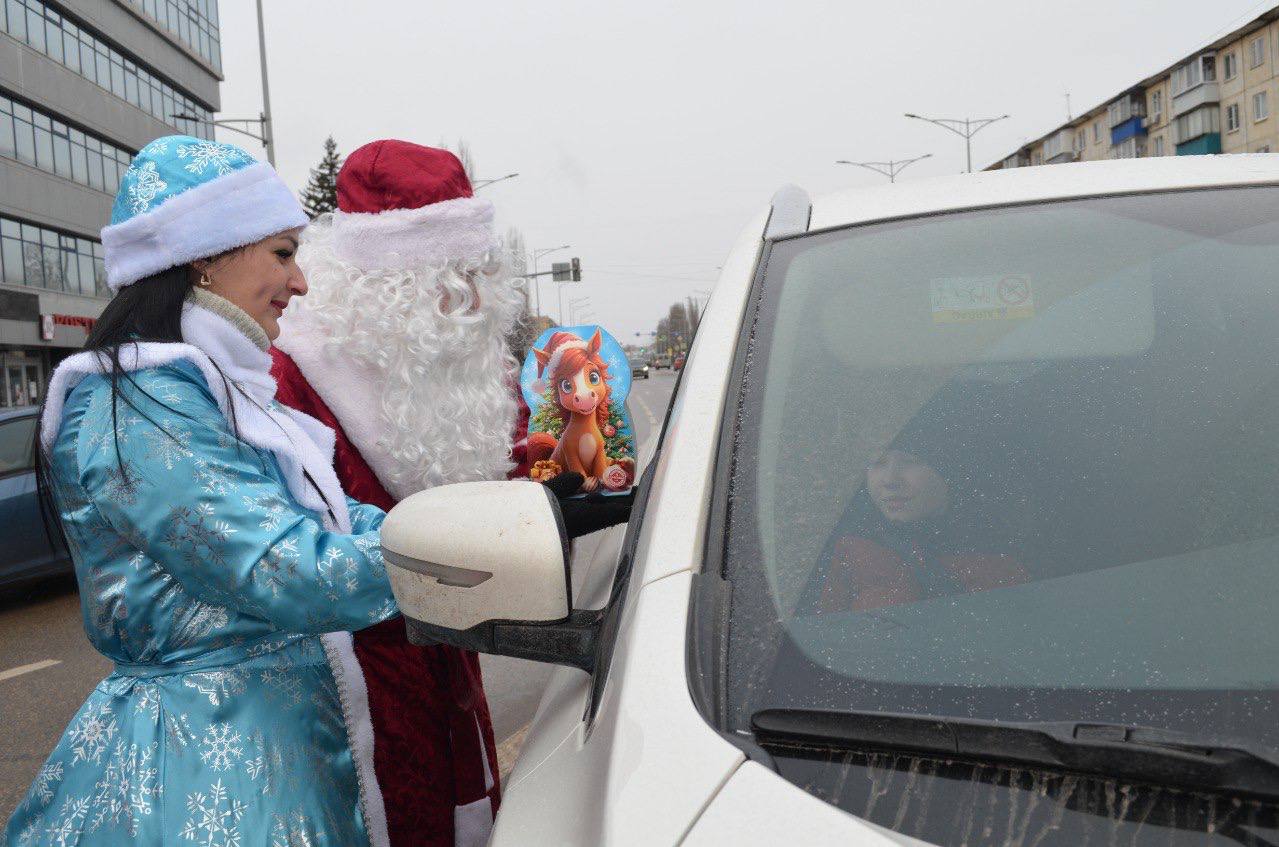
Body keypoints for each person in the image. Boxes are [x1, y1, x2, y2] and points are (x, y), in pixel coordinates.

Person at [5, 137, 399, 846]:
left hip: (258, 751)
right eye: (283, 252)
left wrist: (454, 524)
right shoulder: (137, 408)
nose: (301, 281)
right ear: (204, 256)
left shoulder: (199, 393)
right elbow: (285, 566)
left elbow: (327, 515)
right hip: (204, 777)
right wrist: (445, 557)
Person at [269, 140, 522, 847]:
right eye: (454, 273)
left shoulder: (458, 367)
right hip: (353, 685)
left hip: (448, 668)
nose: (473, 298)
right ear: (390, 282)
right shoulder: (292, 376)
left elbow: (495, 470)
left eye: (480, 271)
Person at [811, 422, 1029, 613]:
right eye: (877, 462)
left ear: (948, 472)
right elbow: (825, 635)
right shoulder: (849, 545)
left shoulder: (1001, 550)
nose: (890, 480)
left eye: (910, 461)